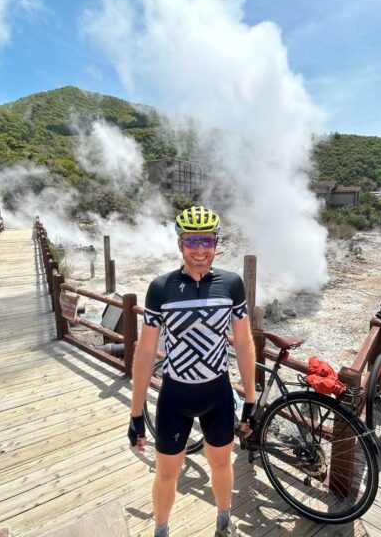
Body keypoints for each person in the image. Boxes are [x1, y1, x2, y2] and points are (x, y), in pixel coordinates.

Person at [127, 205, 257, 537]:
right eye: (192, 241)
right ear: (180, 244)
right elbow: (144, 353)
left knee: (221, 465)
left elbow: (243, 343)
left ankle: (223, 523)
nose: (200, 250)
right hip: (175, 396)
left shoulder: (231, 284)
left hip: (218, 394)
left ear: (217, 242)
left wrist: (251, 402)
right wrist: (136, 414)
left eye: (207, 241)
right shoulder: (161, 288)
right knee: (166, 474)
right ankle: (161, 530)